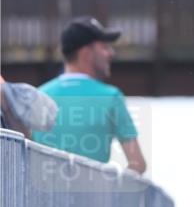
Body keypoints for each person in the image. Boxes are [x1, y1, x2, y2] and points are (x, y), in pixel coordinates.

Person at [32, 16, 147, 173]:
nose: (111, 53)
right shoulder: (111, 97)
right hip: (92, 196)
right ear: (86, 53)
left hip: (42, 196)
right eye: (105, 47)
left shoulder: (38, 96)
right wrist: (112, 194)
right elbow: (138, 165)